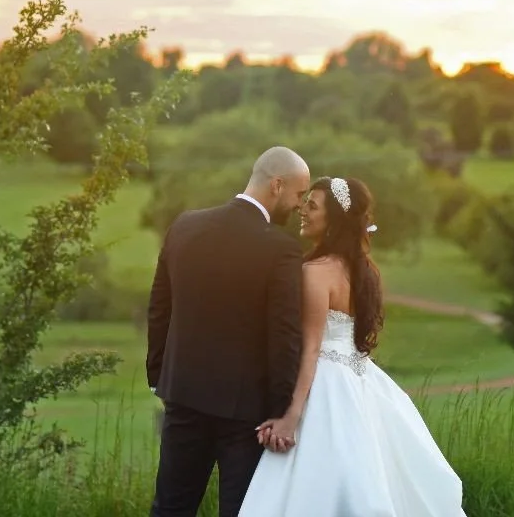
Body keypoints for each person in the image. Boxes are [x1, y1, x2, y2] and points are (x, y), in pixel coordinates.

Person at [239, 176, 467, 517]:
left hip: (327, 384)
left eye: (312, 206)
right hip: (362, 380)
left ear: (334, 220)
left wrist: (291, 416)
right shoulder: (364, 273)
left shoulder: (314, 273)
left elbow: (312, 348)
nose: (303, 211)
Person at [146, 146, 313, 517]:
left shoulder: (185, 225)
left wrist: (158, 378)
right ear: (277, 185)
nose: (300, 206)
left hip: (183, 396)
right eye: (299, 195)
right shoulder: (281, 249)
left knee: (171, 507)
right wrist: (279, 409)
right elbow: (283, 336)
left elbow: (160, 308)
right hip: (247, 414)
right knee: (241, 511)